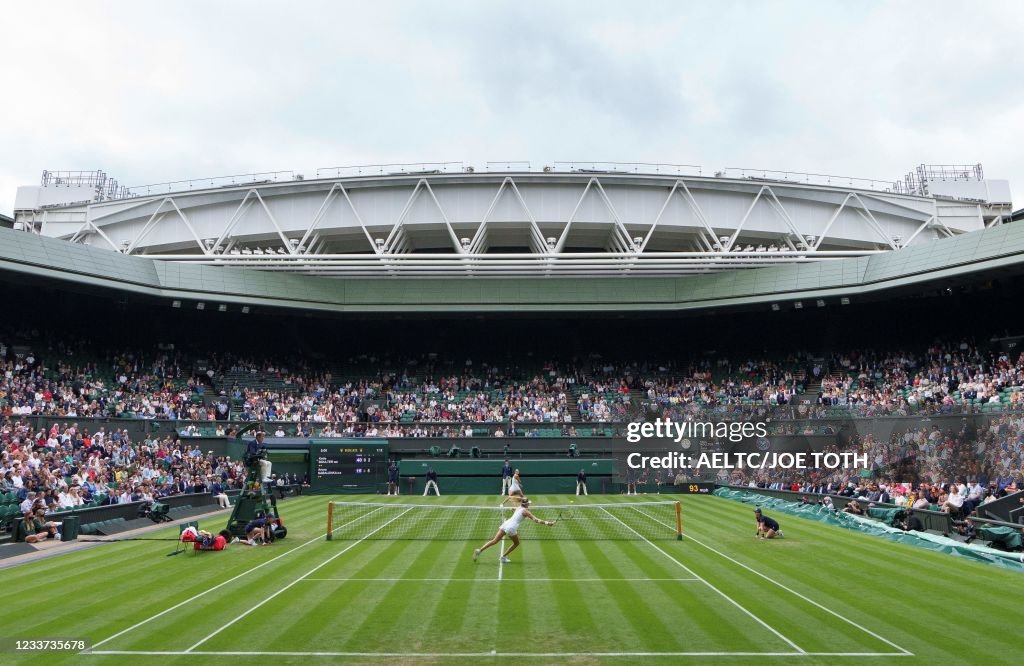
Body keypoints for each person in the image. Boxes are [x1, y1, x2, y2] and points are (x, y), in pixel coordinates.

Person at [473, 497, 553, 563]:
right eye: (528, 503)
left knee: (494, 541)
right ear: (526, 504)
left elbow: (513, 509)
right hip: (511, 527)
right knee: (516, 543)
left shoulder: (518, 508)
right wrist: (547, 523)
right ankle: (503, 557)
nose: (529, 504)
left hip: (506, 524)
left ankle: (479, 550)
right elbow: (536, 520)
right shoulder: (526, 511)